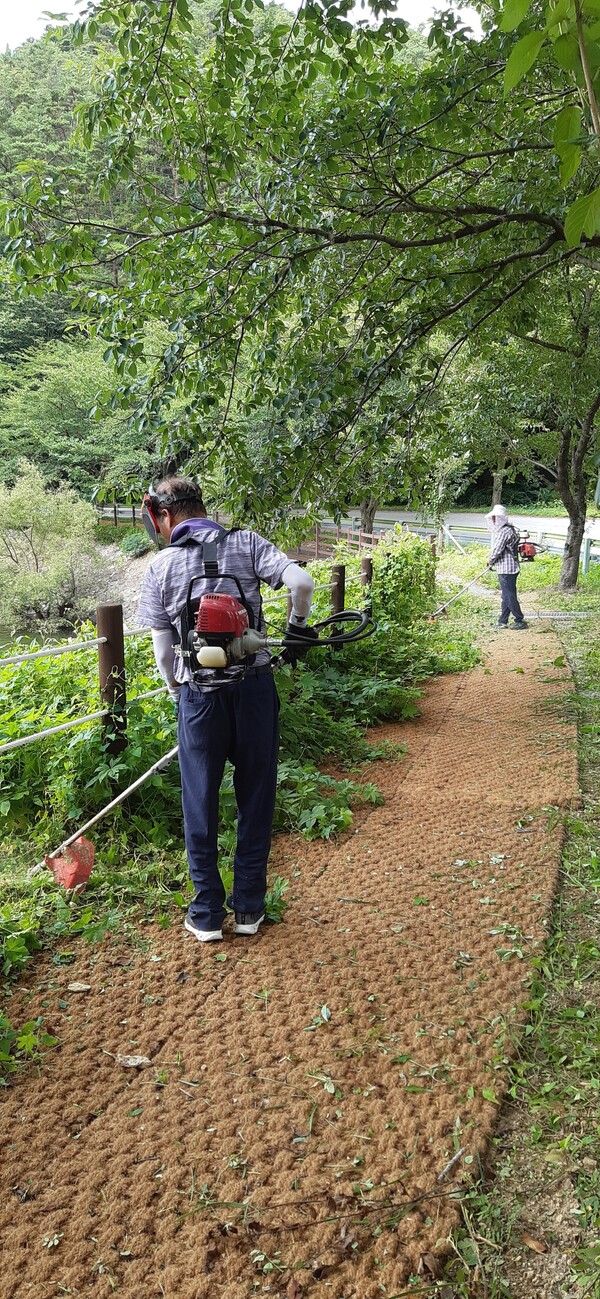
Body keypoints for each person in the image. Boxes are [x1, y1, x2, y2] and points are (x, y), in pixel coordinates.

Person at [137, 476, 315, 942]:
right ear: (201, 506)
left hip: (200, 698)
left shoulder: (160, 568)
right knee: (255, 798)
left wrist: (179, 691)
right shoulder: (247, 543)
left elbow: (163, 654)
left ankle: (205, 913)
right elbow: (302, 581)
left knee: (199, 800)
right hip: (254, 690)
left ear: (163, 516)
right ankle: (249, 910)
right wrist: (297, 628)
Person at [485, 503, 528, 630]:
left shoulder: (504, 531)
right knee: (506, 595)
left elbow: (497, 549)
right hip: (511, 567)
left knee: (509, 595)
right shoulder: (510, 529)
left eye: (495, 517)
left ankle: (519, 620)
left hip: (506, 568)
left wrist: (490, 560)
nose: (493, 520)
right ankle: (502, 620)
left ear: (500, 518)